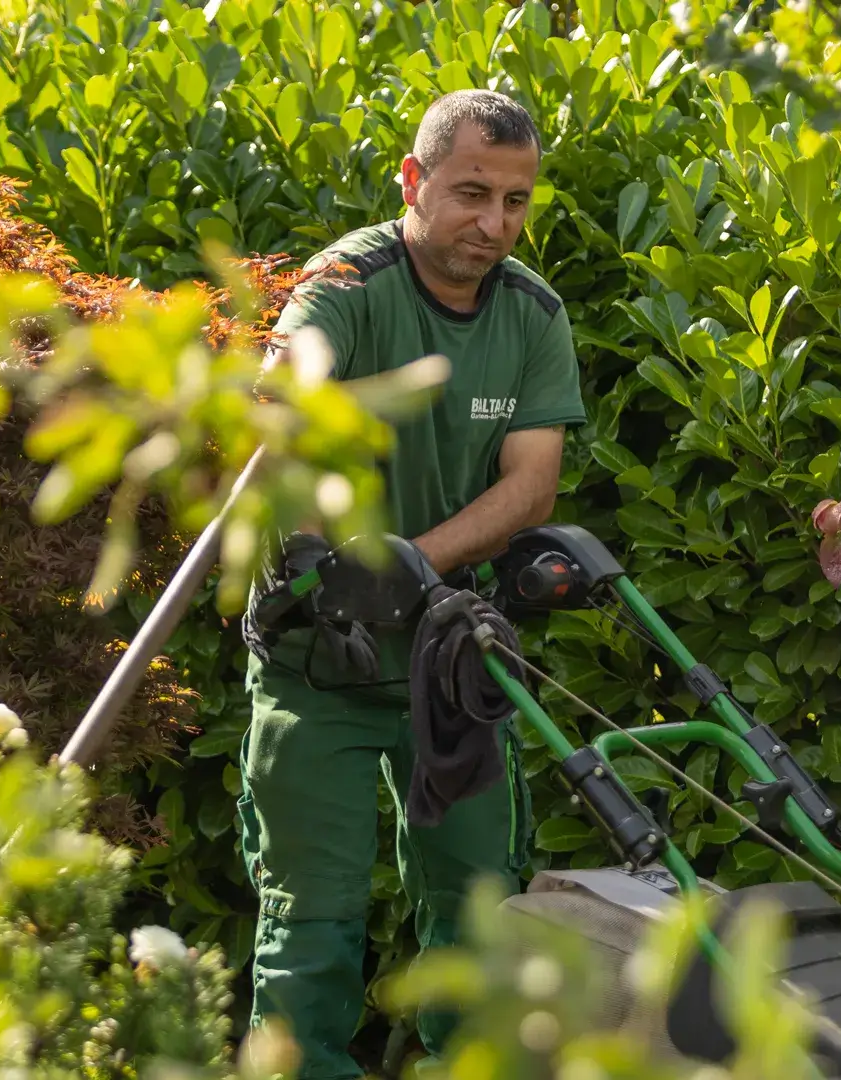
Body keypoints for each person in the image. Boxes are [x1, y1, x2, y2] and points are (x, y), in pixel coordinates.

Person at [235, 89, 587, 1079]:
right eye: (471, 192)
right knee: (314, 917)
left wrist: (413, 562)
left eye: (516, 201)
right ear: (413, 180)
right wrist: (323, 553)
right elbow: (281, 421)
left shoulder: (531, 313)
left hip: (452, 659)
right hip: (321, 659)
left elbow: (531, 483)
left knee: (480, 909)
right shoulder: (347, 282)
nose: (494, 222)